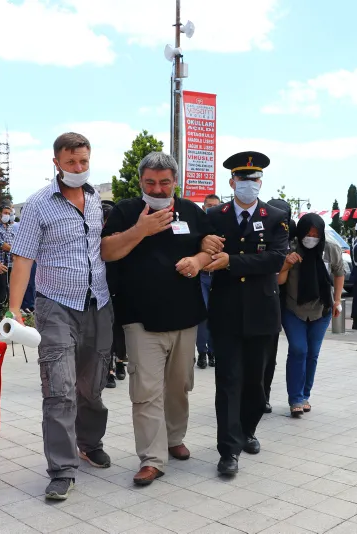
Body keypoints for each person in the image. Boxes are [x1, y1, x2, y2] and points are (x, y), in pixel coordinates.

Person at [8, 132, 113, 501]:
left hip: (98, 304)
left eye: (84, 161)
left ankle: (89, 442)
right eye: (71, 163)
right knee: (59, 388)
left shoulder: (97, 199)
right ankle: (62, 469)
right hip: (56, 306)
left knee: (93, 386)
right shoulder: (38, 204)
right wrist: (15, 309)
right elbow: (23, 259)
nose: (79, 168)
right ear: (56, 162)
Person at [101, 151, 213, 486]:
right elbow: (108, 251)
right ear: (141, 182)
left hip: (185, 316)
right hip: (139, 318)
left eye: (165, 182)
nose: (158, 188)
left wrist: (199, 258)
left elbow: (212, 248)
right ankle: (152, 458)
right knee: (146, 390)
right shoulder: (126, 211)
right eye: (150, 182)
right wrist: (141, 230)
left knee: (179, 386)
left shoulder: (192, 212)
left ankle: (174, 438)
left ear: (175, 181)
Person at [201, 151, 288, 476]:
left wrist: (231, 262)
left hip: (263, 312)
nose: (248, 184)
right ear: (231, 181)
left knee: (256, 385)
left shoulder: (275, 216)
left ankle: (247, 430)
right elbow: (201, 247)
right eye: (242, 179)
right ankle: (229, 450)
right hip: (226, 312)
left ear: (260, 182)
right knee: (228, 382)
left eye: (253, 179)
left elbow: (276, 259)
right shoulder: (216, 216)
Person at [278, 213, 343, 417]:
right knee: (298, 349)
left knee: (312, 352)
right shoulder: (290, 248)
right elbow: (279, 280)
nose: (311, 237)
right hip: (293, 309)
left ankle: (305, 395)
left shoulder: (330, 249)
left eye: (316, 233)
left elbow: (339, 273)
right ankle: (295, 398)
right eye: (308, 232)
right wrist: (287, 264)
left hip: (321, 309)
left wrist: (337, 300)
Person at [263, 197, 294, 414]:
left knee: (269, 355)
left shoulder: (292, 238)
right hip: (259, 296)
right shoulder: (259, 233)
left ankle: (264, 394)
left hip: (279, 302)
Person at [196, 193, 221, 370]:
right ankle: (202, 353)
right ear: (204, 206)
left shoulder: (224, 224)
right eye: (209, 205)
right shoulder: (198, 224)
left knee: (216, 315)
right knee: (202, 316)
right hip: (202, 276)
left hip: (219, 275)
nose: (212, 208)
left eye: (215, 205)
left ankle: (213, 351)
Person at [101, 200, 122, 389]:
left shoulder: (123, 235)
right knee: (105, 333)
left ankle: (120, 362)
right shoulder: (94, 237)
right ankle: (109, 370)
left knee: (118, 331)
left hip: (119, 290)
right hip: (101, 292)